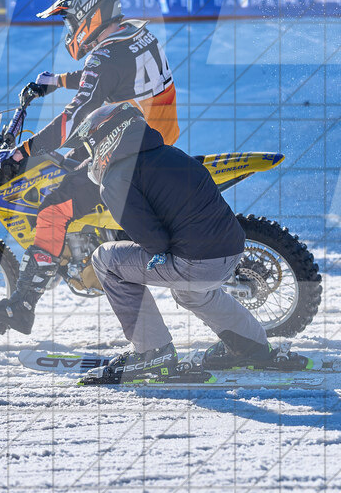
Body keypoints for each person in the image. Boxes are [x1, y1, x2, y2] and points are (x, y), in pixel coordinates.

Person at [0, 0, 179, 335]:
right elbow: (109, 78)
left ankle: (22, 305)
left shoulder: (105, 54)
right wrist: (57, 80)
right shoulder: (135, 35)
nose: (68, 30)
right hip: (152, 137)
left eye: (69, 22)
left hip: (129, 154)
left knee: (53, 209)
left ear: (89, 15)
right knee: (69, 159)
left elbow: (75, 116)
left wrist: (23, 151)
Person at [66, 104, 279, 384]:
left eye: (91, 147)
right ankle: (251, 346)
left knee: (106, 260)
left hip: (198, 262)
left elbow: (155, 242)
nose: (91, 156)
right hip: (231, 251)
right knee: (191, 292)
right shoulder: (169, 153)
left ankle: (151, 351)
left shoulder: (117, 178)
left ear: (107, 139)